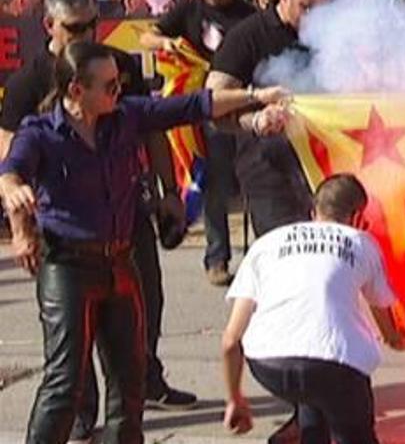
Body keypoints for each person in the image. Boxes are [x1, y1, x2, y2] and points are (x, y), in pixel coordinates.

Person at [0, 41, 290, 444]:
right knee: (65, 383)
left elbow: (195, 105)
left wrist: (256, 96)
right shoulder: (41, 134)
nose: (118, 92)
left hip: (120, 263)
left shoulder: (126, 117)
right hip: (68, 266)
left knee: (129, 380)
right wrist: (16, 208)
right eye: (109, 86)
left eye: (118, 84)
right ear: (75, 91)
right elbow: (10, 172)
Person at [0, 0, 199, 438]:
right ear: (49, 26)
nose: (89, 31)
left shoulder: (118, 65)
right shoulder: (28, 82)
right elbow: (10, 159)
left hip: (125, 217)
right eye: (76, 26)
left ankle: (146, 381)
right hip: (66, 238)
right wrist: (21, 227)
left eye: (93, 22)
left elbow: (155, 123)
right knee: (69, 359)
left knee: (143, 308)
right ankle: (80, 414)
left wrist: (169, 191)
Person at [221, 173, 405, 442]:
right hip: (336, 368)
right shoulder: (361, 242)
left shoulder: (267, 244)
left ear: (313, 211)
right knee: (344, 415)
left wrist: (235, 399)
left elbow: (229, 341)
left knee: (314, 393)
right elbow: (391, 336)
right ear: (356, 218)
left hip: (269, 366)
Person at [141, 0, 256, 286]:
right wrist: (166, 42)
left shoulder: (248, 16)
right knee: (215, 182)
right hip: (207, 109)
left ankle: (262, 257)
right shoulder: (190, 10)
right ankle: (217, 256)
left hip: (244, 104)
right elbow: (147, 37)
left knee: (255, 177)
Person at [206, 0, 328, 239]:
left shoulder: (329, 36)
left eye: (323, 10)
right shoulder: (248, 36)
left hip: (323, 169)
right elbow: (213, 103)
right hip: (269, 173)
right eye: (306, 8)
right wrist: (255, 118)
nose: (315, 19)